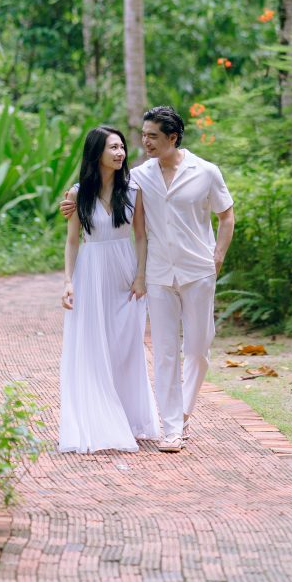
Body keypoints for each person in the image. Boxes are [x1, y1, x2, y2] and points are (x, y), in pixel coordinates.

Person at [61, 106, 235, 453]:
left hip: (198, 270)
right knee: (167, 351)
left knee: (198, 349)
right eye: (142, 136)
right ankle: (172, 427)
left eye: (152, 136)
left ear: (173, 138)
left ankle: (183, 411)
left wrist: (217, 257)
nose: (144, 143)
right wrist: (70, 201)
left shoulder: (206, 172)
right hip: (157, 274)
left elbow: (226, 216)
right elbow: (99, 189)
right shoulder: (140, 176)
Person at [59, 125, 160, 453]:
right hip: (91, 273)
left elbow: (142, 235)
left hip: (125, 273)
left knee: (126, 347)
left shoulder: (133, 190)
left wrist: (141, 275)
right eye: (112, 148)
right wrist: (68, 282)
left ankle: (130, 419)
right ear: (96, 153)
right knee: (93, 347)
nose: (120, 153)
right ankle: (99, 421)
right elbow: (72, 242)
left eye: (121, 147)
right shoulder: (77, 194)